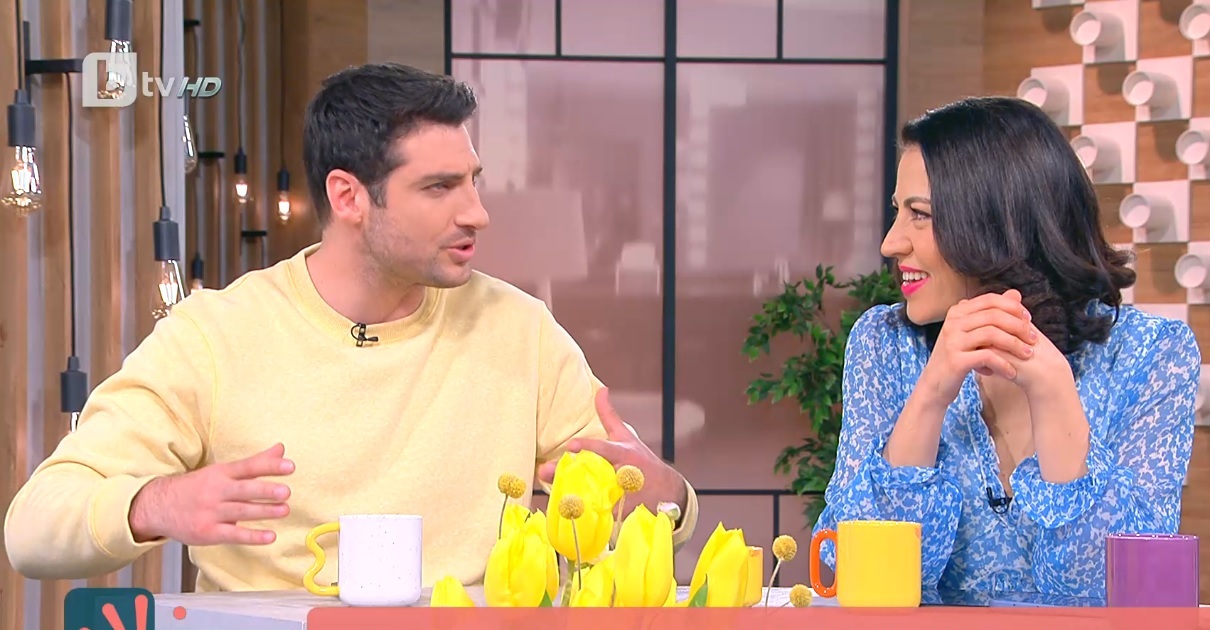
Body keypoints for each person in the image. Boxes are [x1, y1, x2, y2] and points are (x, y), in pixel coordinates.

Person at [4, 62, 699, 591]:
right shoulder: (215, 335)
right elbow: (33, 527)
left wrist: (666, 497)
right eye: (439, 187)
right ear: (348, 197)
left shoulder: (521, 331)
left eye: (473, 181)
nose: (477, 213)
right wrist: (152, 503)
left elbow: (642, 519)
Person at [813, 96, 1199, 602]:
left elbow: (1125, 591)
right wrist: (930, 396)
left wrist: (1053, 391)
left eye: (920, 215)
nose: (891, 243)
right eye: (897, 212)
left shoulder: (1153, 355)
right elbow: (845, 576)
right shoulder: (885, 344)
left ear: (998, 223)